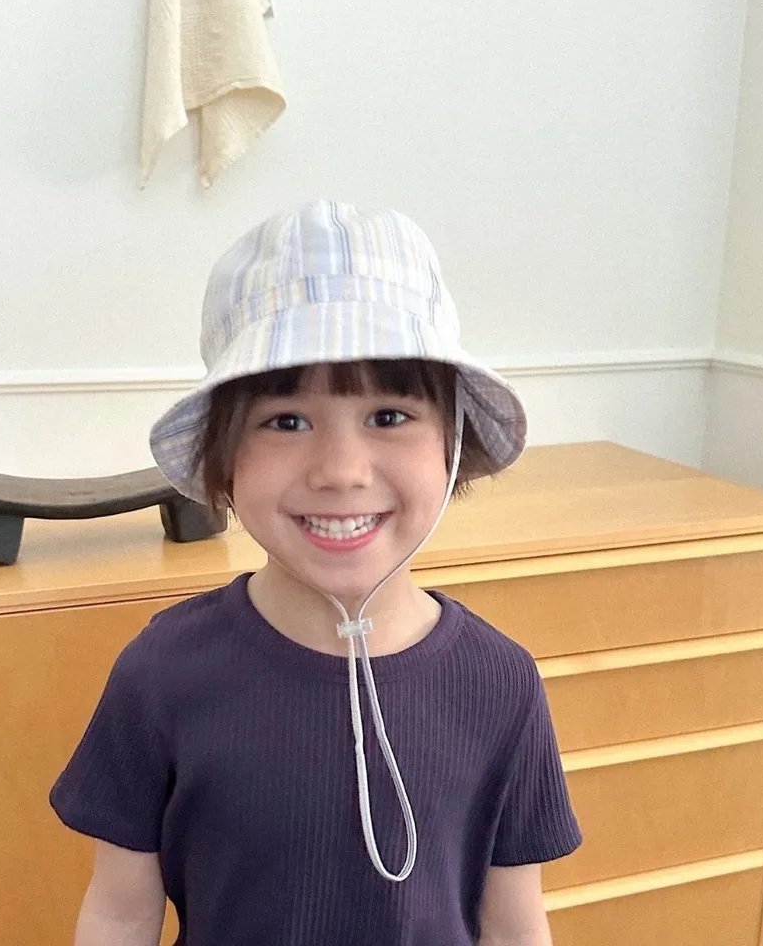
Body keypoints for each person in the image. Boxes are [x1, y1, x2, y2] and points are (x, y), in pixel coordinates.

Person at [50, 200, 581, 946]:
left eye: (389, 416)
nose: (340, 471)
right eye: (286, 421)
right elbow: (120, 911)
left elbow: (514, 926)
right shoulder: (162, 672)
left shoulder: (501, 682)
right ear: (223, 457)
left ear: (454, 444)